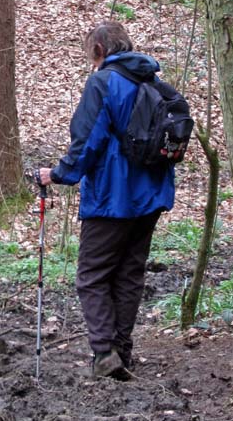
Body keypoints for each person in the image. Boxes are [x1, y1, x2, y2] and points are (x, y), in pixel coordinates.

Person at [39, 21, 176, 380]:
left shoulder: (103, 82)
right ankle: (121, 352)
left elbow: (88, 140)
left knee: (92, 275)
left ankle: (103, 353)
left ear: (99, 50)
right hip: (151, 196)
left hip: (112, 197)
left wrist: (59, 174)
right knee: (129, 272)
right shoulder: (153, 81)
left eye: (91, 54)